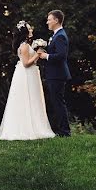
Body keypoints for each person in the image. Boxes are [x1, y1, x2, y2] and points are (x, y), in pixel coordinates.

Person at [0, 20, 56, 141]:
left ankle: (36, 126)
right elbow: (26, 63)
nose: (31, 30)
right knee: (27, 98)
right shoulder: (24, 46)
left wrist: (37, 55)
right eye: (29, 29)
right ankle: (26, 128)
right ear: (24, 32)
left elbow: (32, 61)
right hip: (26, 75)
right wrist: (38, 54)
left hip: (31, 74)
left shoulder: (27, 45)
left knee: (34, 98)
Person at [36, 9, 71, 137]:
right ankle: (61, 130)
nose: (47, 22)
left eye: (49, 19)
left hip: (57, 75)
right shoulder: (56, 35)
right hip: (54, 75)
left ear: (56, 20)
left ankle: (64, 132)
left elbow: (62, 56)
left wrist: (46, 56)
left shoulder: (60, 35)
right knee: (56, 102)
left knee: (58, 103)